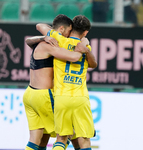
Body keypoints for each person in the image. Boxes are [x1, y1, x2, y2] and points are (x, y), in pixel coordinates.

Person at [23, 14, 90, 150]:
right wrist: (84, 45)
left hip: (30, 94)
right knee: (66, 135)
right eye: (68, 31)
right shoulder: (51, 46)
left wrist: (43, 36)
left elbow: (30, 38)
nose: (69, 35)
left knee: (38, 139)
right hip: (44, 96)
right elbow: (75, 57)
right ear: (61, 29)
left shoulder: (40, 43)